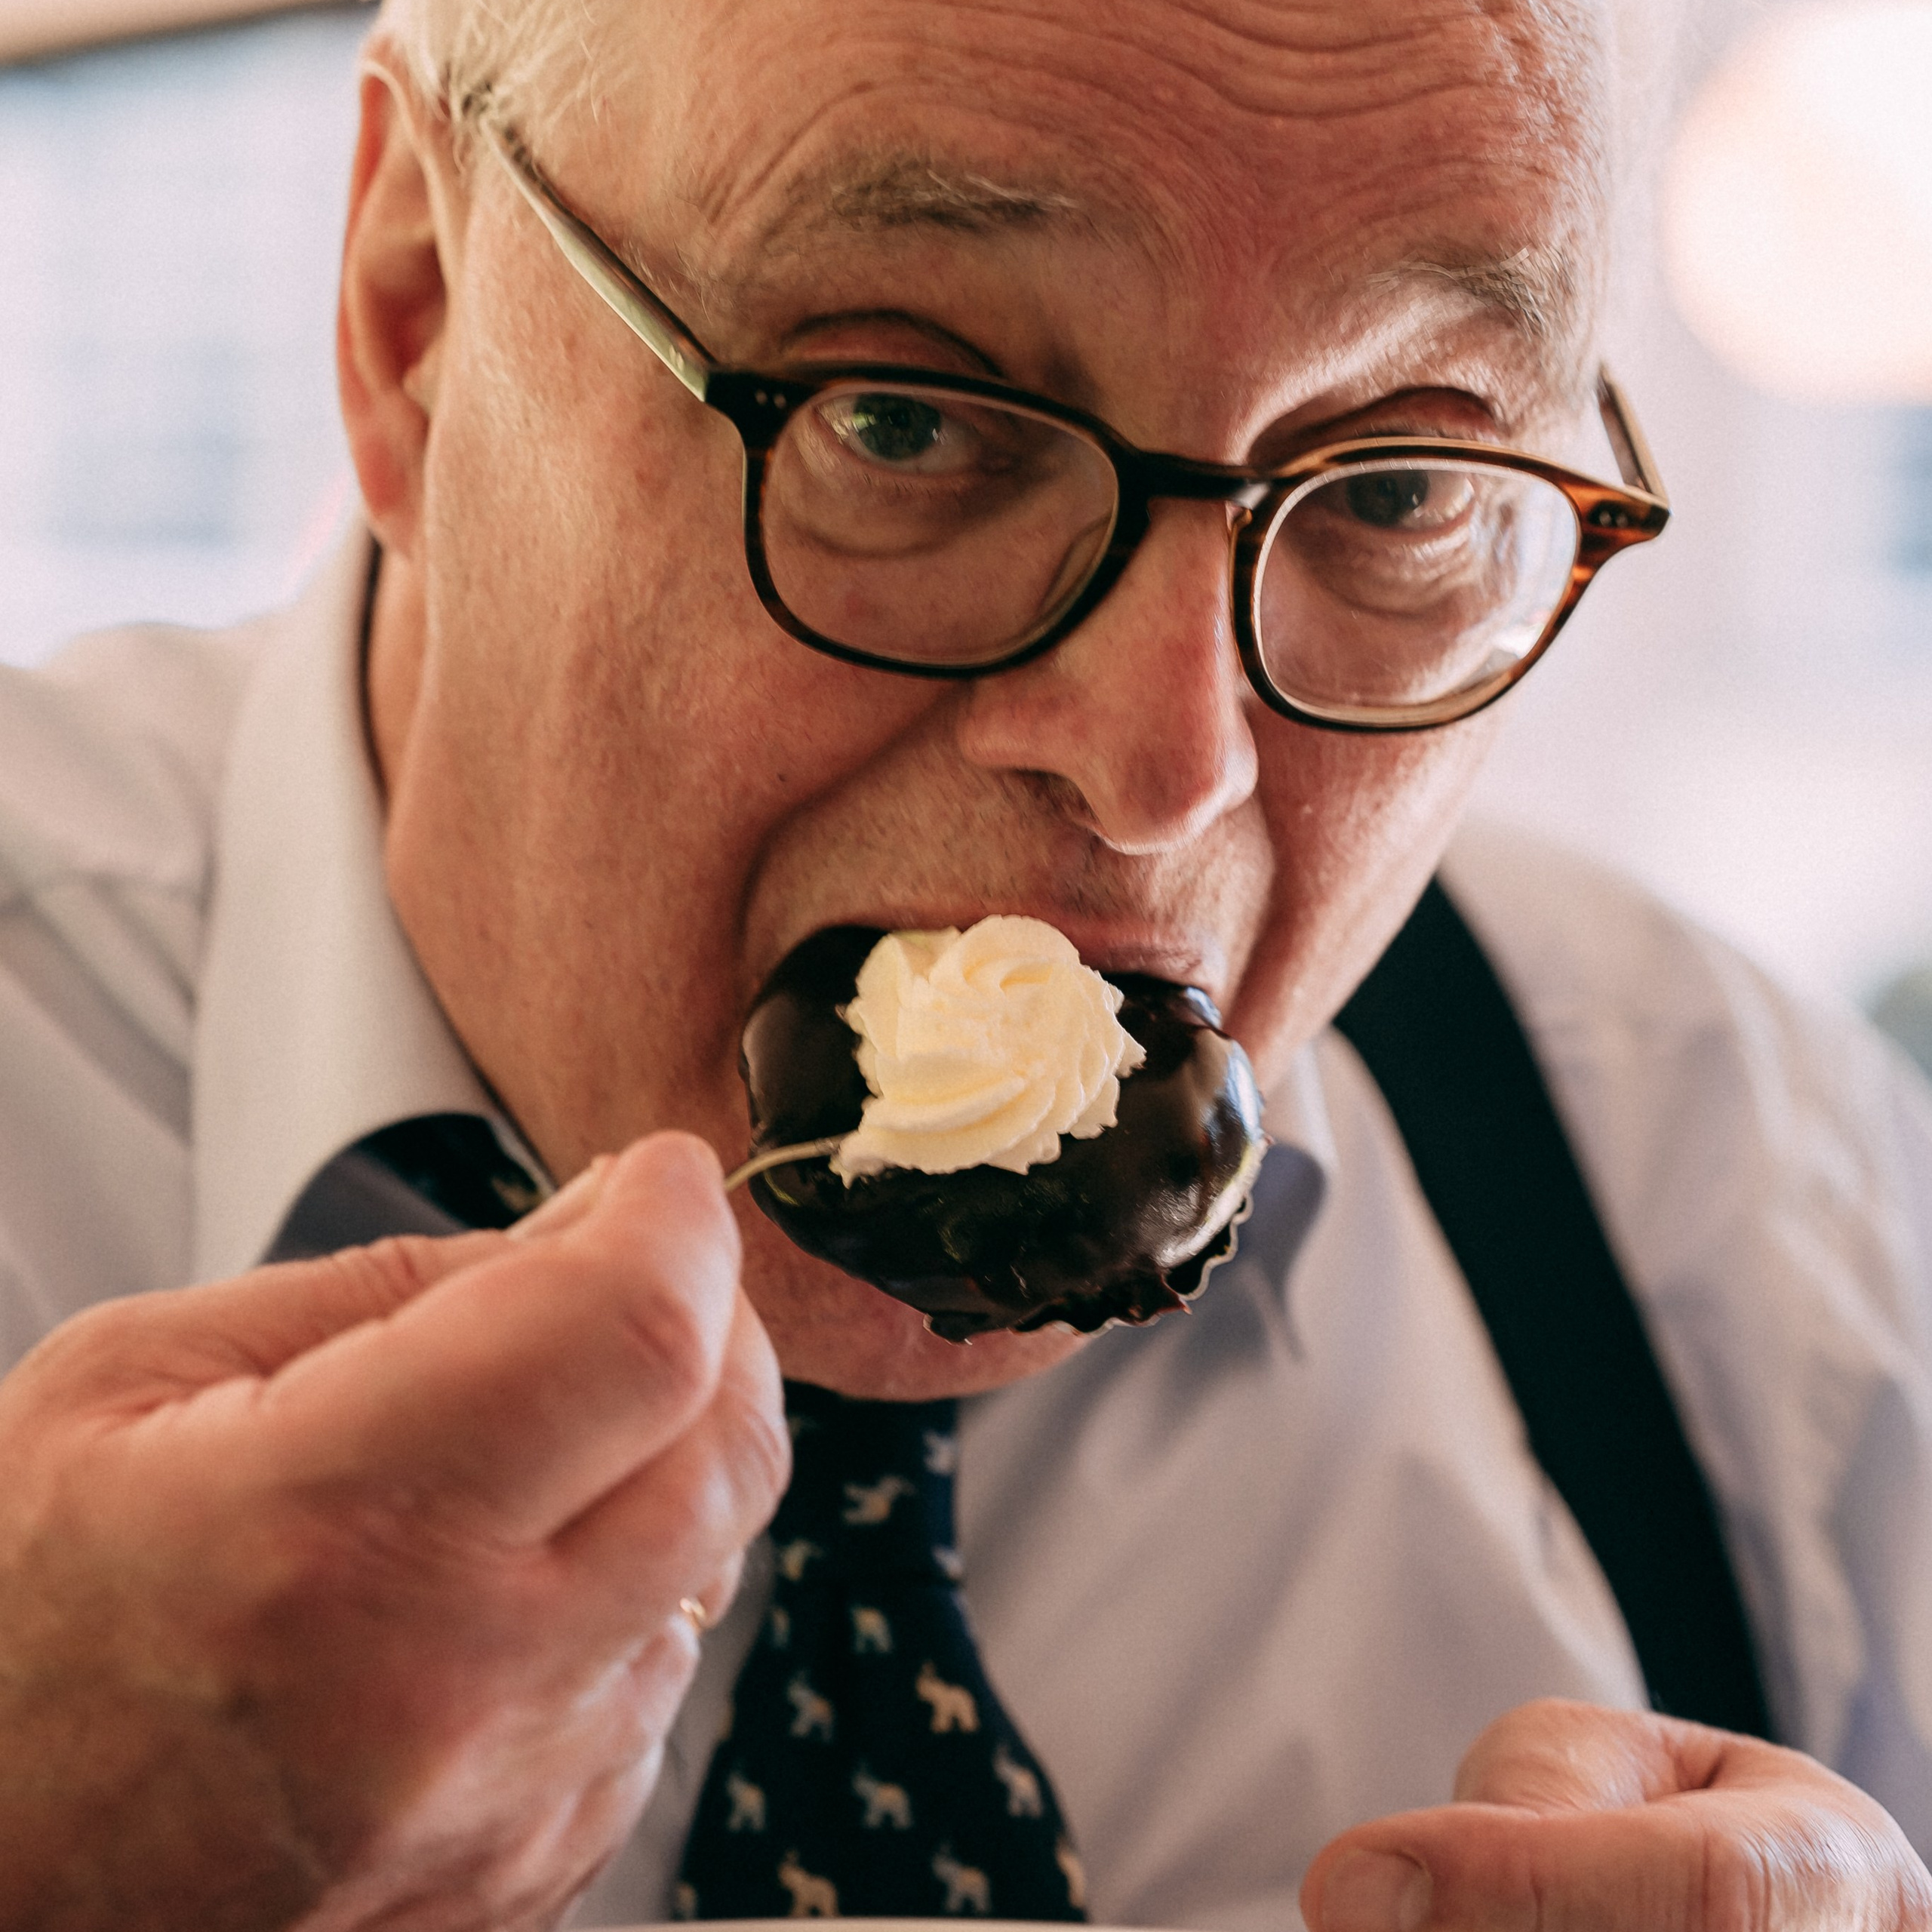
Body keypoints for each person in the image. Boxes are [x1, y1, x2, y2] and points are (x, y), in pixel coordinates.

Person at [2, 0, 1930, 1924]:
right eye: (902, 420)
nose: (1159, 772)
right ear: (414, 313)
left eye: (1395, 491)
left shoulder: (1765, 1252)